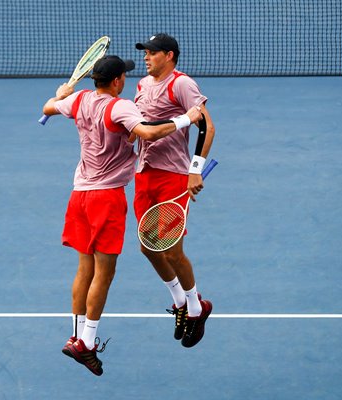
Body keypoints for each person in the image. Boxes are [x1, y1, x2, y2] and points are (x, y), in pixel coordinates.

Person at [42, 55, 203, 375]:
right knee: (104, 273)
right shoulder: (121, 107)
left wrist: (59, 96)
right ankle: (87, 342)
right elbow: (148, 133)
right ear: (117, 81)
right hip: (106, 200)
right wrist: (187, 118)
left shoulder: (79, 99)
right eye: (124, 76)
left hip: (78, 196)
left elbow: (47, 107)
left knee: (83, 268)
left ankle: (76, 336)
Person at [133, 34, 216, 348]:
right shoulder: (142, 85)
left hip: (173, 176)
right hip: (144, 174)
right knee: (147, 247)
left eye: (152, 53)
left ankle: (197, 307)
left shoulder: (181, 84)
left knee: (171, 249)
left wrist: (195, 169)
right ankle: (180, 301)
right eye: (145, 53)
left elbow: (206, 125)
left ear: (169, 55)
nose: (146, 57)